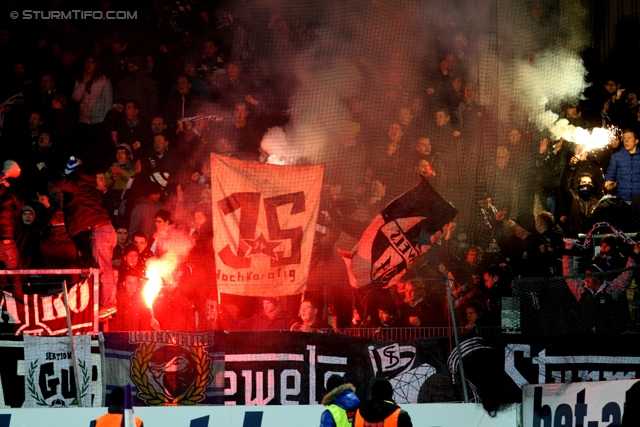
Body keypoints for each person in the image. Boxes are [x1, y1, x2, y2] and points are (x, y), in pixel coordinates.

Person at [39, 156, 118, 318]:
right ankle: (106, 305)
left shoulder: (78, 182)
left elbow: (60, 183)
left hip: (99, 231)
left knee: (104, 269)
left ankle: (108, 304)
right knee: (100, 268)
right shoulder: (87, 185)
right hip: (104, 230)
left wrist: (44, 169)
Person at [605, 129, 640, 202]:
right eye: (624, 138)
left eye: (629, 138)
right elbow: (610, 177)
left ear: (636, 141)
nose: (626, 141)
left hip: (638, 200)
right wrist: (609, 186)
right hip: (622, 199)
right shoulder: (616, 157)